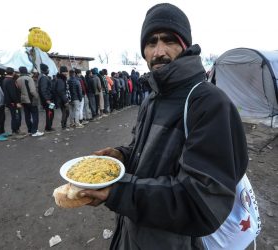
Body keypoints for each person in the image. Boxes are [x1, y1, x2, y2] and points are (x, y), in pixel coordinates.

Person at [78, 3, 248, 249]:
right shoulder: (152, 99)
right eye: (151, 43)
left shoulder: (209, 103)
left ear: (185, 46)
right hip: (133, 234)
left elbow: (201, 202)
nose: (159, 52)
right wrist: (121, 156)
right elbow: (144, 155)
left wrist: (118, 192)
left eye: (169, 40)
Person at [16, 66, 43, 137]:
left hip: (23, 100)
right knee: (35, 115)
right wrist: (37, 96)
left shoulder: (18, 79)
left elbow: (18, 90)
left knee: (27, 116)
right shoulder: (29, 79)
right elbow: (32, 90)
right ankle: (34, 131)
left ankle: (30, 130)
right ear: (26, 71)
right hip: (31, 100)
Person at [2, 67, 24, 137]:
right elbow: (12, 93)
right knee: (17, 116)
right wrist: (17, 102)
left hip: (10, 102)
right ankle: (16, 130)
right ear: (13, 73)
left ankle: (15, 130)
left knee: (14, 116)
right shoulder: (10, 80)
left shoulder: (5, 80)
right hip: (13, 103)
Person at [38, 63, 55, 132]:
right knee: (50, 112)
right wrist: (47, 99)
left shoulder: (42, 77)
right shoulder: (44, 78)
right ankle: (48, 127)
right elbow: (43, 90)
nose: (48, 70)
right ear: (45, 70)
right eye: (48, 69)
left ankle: (48, 126)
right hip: (48, 100)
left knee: (50, 112)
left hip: (48, 99)